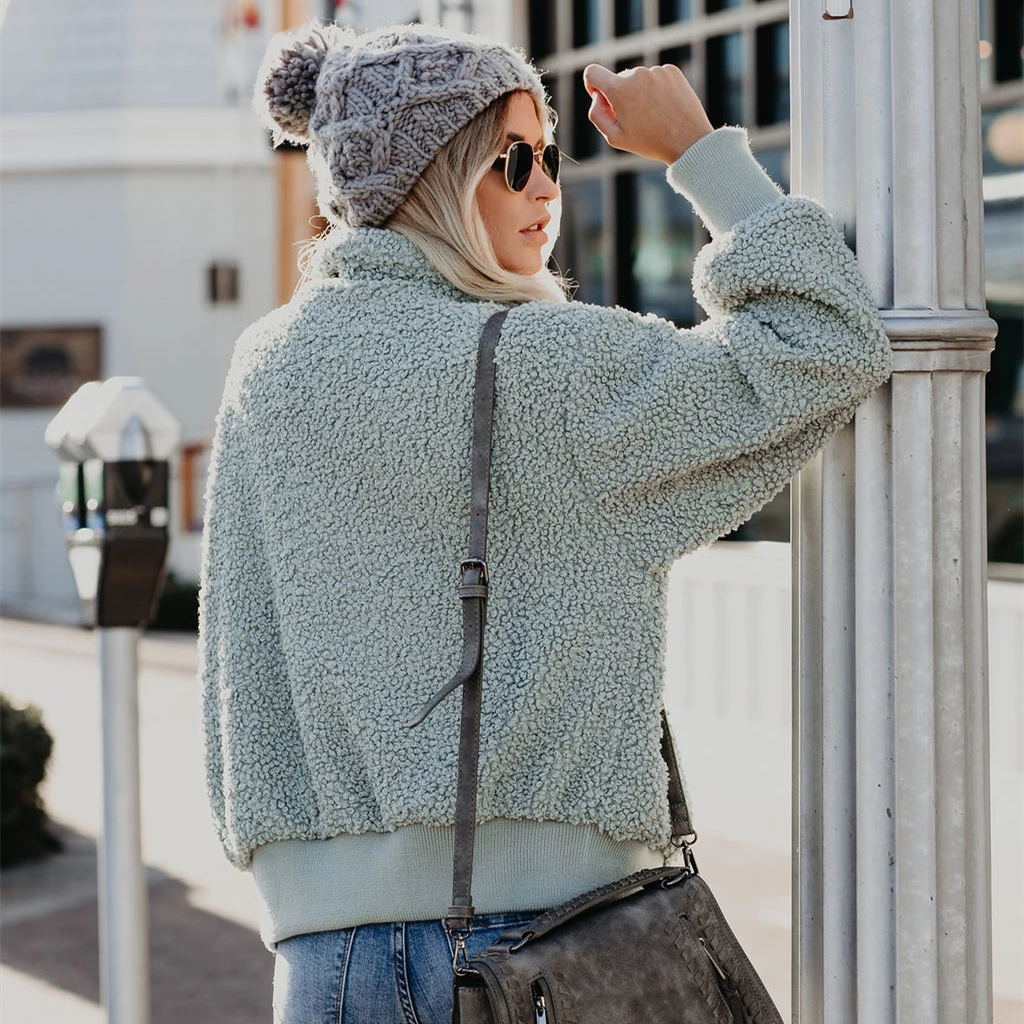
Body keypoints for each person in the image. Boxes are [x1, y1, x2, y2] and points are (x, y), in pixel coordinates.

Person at [198, 19, 891, 1024]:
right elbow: (822, 341)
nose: (545, 189)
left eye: (551, 157)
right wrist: (699, 152)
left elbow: (242, 656)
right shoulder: (547, 365)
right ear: (431, 178)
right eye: (512, 160)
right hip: (550, 943)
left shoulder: (267, 367)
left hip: (326, 962)